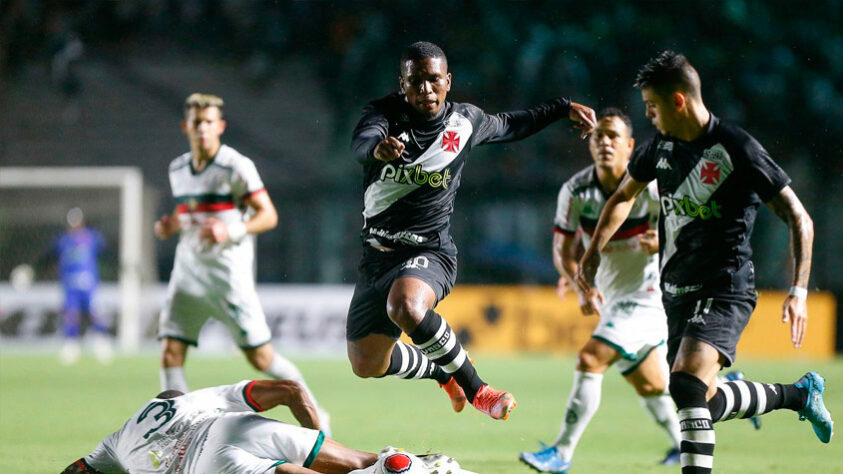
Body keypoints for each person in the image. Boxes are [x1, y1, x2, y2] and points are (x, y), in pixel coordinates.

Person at [576, 51, 833, 473]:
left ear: (678, 102)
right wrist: (591, 255)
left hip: (724, 286)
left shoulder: (737, 148)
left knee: (685, 382)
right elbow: (624, 196)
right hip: (675, 290)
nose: (649, 116)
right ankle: (799, 396)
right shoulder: (660, 147)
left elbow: (799, 218)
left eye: (653, 107)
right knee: (702, 401)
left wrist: (799, 291)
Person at [347, 41, 596, 421]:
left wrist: (562, 107)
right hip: (376, 256)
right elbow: (362, 141)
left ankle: (477, 388)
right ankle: (440, 369)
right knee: (365, 363)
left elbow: (514, 124)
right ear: (403, 84)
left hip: (430, 251)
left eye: (433, 80)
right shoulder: (384, 116)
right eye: (416, 82)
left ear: (448, 81)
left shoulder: (465, 122)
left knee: (405, 305)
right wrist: (377, 150)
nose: (425, 90)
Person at [154, 93, 330, 434]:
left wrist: (230, 229)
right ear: (185, 127)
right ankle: (180, 430)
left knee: (261, 359)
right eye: (196, 123)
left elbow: (268, 215)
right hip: (188, 275)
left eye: (208, 122)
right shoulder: (178, 168)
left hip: (228, 278)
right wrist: (171, 225)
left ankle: (317, 414)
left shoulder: (236, 166)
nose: (202, 129)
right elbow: (189, 210)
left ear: (220, 126)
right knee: (170, 353)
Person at [519, 108, 682, 473]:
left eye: (613, 136)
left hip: (647, 300)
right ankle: (691, 436)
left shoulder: (653, 189)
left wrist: (666, 242)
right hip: (611, 300)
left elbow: (689, 235)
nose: (605, 143)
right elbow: (562, 253)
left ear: (630, 146)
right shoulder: (576, 191)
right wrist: (581, 283)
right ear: (590, 144)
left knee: (590, 358)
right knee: (654, 385)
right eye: (598, 136)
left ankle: (561, 453)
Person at [60, 379, 372, 473]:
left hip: (204, 466)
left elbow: (77, 472)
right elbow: (292, 390)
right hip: (229, 426)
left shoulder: (118, 440)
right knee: (362, 462)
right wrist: (315, 439)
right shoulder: (196, 400)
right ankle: (409, 464)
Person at [53, 207, 112, 365]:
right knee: (71, 315)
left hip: (89, 285)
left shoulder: (92, 238)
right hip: (70, 285)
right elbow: (50, 255)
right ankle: (71, 345)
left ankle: (101, 343)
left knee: (96, 313)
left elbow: (107, 252)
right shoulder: (63, 241)